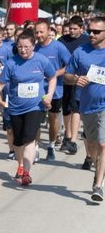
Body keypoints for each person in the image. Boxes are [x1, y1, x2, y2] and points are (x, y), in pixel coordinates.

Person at [0, 32, 55, 187]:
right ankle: (20, 165)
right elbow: (0, 84)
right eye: (20, 47)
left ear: (33, 46)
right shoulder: (12, 63)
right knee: (19, 141)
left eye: (26, 47)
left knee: (29, 138)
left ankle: (26, 172)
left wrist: (49, 95)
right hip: (15, 108)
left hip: (35, 106)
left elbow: (52, 77)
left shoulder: (41, 60)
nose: (23, 50)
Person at [63, 17, 105, 202]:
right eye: (90, 31)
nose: (92, 34)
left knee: (103, 144)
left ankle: (98, 186)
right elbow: (67, 75)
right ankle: (98, 169)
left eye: (97, 31)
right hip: (87, 106)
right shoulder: (81, 52)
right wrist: (75, 79)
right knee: (93, 145)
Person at [34, 19, 71, 161]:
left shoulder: (59, 47)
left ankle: (51, 146)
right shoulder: (34, 47)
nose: (39, 35)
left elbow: (70, 65)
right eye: (36, 32)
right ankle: (35, 148)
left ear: (49, 31)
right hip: (37, 90)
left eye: (41, 32)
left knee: (53, 119)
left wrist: (54, 74)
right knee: (36, 120)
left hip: (55, 90)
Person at [58, 15, 89, 155]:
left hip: (81, 80)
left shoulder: (87, 41)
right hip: (65, 79)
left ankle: (72, 140)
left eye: (74, 29)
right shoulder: (62, 41)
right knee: (65, 109)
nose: (71, 31)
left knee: (75, 108)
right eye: (70, 28)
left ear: (81, 29)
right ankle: (67, 134)